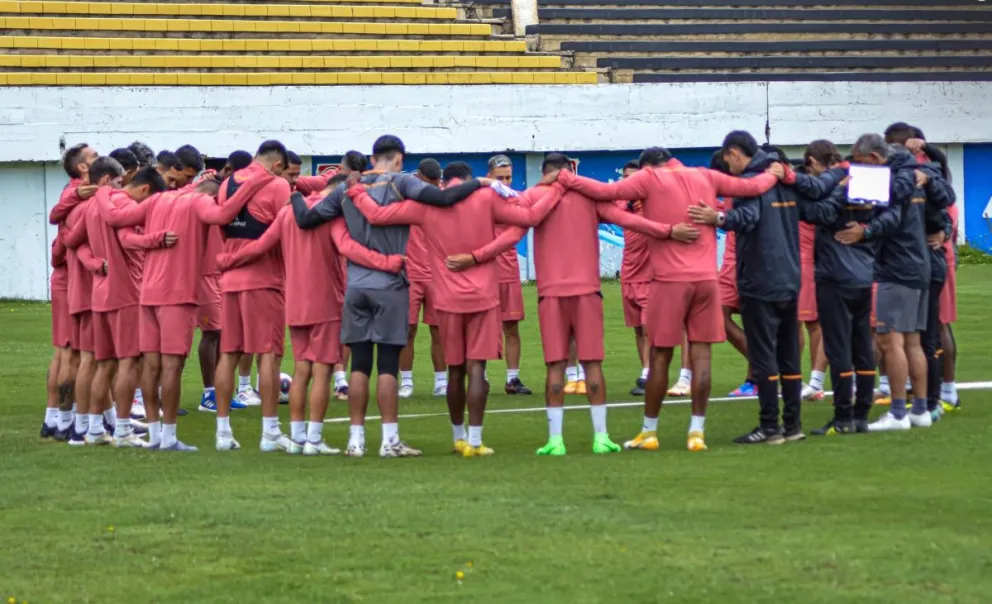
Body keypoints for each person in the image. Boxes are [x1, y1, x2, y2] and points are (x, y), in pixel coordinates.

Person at [558, 146, 784, 452]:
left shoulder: (650, 178)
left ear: (648, 166)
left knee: (660, 356)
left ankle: (649, 432)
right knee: (702, 355)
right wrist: (776, 173)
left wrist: (564, 178)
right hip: (706, 279)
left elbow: (603, 191)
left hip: (669, 281)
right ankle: (696, 433)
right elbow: (751, 186)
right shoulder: (705, 174)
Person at [466, 153, 674, 456]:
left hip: (551, 293)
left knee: (555, 366)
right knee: (592, 364)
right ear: (570, 171)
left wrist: (474, 257)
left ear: (546, 173)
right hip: (588, 292)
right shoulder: (588, 195)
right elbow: (628, 219)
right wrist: (668, 230)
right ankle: (601, 437)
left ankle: (556, 439)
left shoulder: (533, 195)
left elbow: (510, 233)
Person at [349, 161, 563, 455]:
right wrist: (557, 186)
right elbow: (530, 217)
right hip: (483, 296)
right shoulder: (486, 198)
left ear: (443, 184)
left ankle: (457, 437)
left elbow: (375, 215)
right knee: (478, 369)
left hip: (447, 298)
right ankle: (475, 441)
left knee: (455, 371)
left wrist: (354, 191)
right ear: (468, 179)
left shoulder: (425, 206)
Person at [290, 134, 485, 458]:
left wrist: (294, 195)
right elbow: (445, 200)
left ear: (372, 158)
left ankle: (356, 440)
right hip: (391, 284)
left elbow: (307, 219)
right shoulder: (402, 183)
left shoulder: (346, 189)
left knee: (359, 364)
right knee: (387, 366)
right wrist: (480, 183)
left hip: (356, 286)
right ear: (398, 159)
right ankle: (389, 440)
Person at [91, 169, 275, 450]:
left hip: (148, 295)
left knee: (151, 368)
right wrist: (253, 186)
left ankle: (154, 436)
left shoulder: (156, 200)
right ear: (212, 196)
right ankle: (168, 438)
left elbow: (120, 227)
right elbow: (223, 216)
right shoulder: (199, 202)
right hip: (177, 296)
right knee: (171, 368)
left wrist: (102, 190)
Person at [217, 186, 405, 455]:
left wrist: (229, 260)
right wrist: (386, 262)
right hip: (326, 299)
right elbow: (347, 247)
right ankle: (314, 439)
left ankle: (296, 438)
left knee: (301, 369)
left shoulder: (287, 213)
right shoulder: (333, 215)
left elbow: (260, 245)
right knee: (323, 370)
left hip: (295, 300)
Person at [690, 131, 830, 445]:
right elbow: (816, 207)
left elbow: (748, 218)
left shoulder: (749, 184)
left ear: (734, 153)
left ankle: (769, 427)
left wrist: (718, 217)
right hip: (789, 278)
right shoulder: (786, 179)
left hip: (759, 279)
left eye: (727, 160)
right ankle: (793, 425)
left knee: (765, 355)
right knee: (789, 356)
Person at [835, 133, 951, 431]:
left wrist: (866, 230)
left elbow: (892, 219)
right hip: (920, 265)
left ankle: (898, 412)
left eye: (861, 165)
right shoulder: (916, 174)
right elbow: (944, 203)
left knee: (890, 340)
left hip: (896, 268)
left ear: (875, 159)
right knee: (913, 341)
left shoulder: (897, 181)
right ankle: (921, 410)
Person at [64, 162, 172, 447]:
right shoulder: (122, 205)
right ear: (146, 190)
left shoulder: (91, 206)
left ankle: (95, 429)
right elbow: (127, 235)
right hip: (126, 293)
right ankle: (122, 430)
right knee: (128, 362)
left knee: (105, 363)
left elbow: (71, 241)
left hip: (100, 294)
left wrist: (93, 263)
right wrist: (159, 239)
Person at [213, 140, 295, 452]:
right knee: (269, 356)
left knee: (229, 354)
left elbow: (224, 228)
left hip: (230, 281)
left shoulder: (227, 184)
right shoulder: (277, 186)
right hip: (263, 279)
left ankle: (222, 432)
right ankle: (270, 432)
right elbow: (282, 233)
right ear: (277, 165)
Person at [791, 141, 875, 435]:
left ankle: (843, 418)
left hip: (835, 275)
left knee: (839, 347)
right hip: (864, 273)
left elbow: (819, 213)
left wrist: (801, 196)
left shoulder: (832, 186)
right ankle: (862, 414)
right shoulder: (868, 177)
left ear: (814, 162)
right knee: (862, 345)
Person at [398, 159, 448, 399]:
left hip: (438, 275)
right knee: (407, 330)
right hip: (410, 274)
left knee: (439, 331)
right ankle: (406, 382)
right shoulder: (405, 200)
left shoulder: (444, 200)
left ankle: (441, 381)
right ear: (418, 178)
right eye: (429, 182)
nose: (432, 187)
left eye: (436, 183)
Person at [486, 154, 534, 395]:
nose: (505, 182)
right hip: (483, 273)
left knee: (512, 327)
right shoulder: (479, 200)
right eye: (499, 178)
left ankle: (512, 378)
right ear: (489, 178)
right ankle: (480, 377)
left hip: (509, 271)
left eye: (508, 177)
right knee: (481, 327)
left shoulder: (518, 200)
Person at [612, 160, 652, 396]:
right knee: (637, 329)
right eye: (625, 177)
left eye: (633, 177)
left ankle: (649, 374)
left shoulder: (652, 204)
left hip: (649, 276)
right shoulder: (620, 202)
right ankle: (645, 369)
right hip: (629, 273)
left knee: (649, 329)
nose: (629, 181)